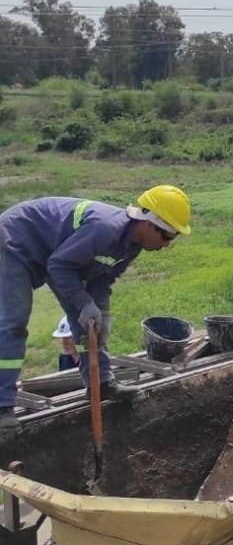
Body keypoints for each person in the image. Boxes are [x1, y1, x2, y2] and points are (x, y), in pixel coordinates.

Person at [0, 185, 191, 431]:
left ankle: (100, 384)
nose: (166, 244)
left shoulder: (131, 246)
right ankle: (2, 406)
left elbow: (102, 279)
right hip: (15, 240)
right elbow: (59, 267)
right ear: (148, 221)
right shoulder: (105, 229)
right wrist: (84, 302)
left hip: (57, 254)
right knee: (14, 323)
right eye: (167, 235)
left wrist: (101, 312)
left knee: (88, 323)